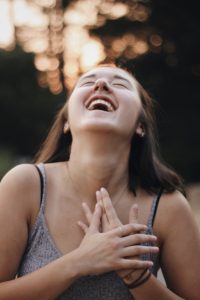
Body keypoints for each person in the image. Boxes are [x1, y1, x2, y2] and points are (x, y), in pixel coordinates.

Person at [0, 64, 199, 300]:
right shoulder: (25, 185)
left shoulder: (168, 206)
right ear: (66, 122)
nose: (101, 85)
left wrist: (139, 279)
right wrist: (79, 262)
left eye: (119, 84)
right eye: (87, 82)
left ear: (140, 126)